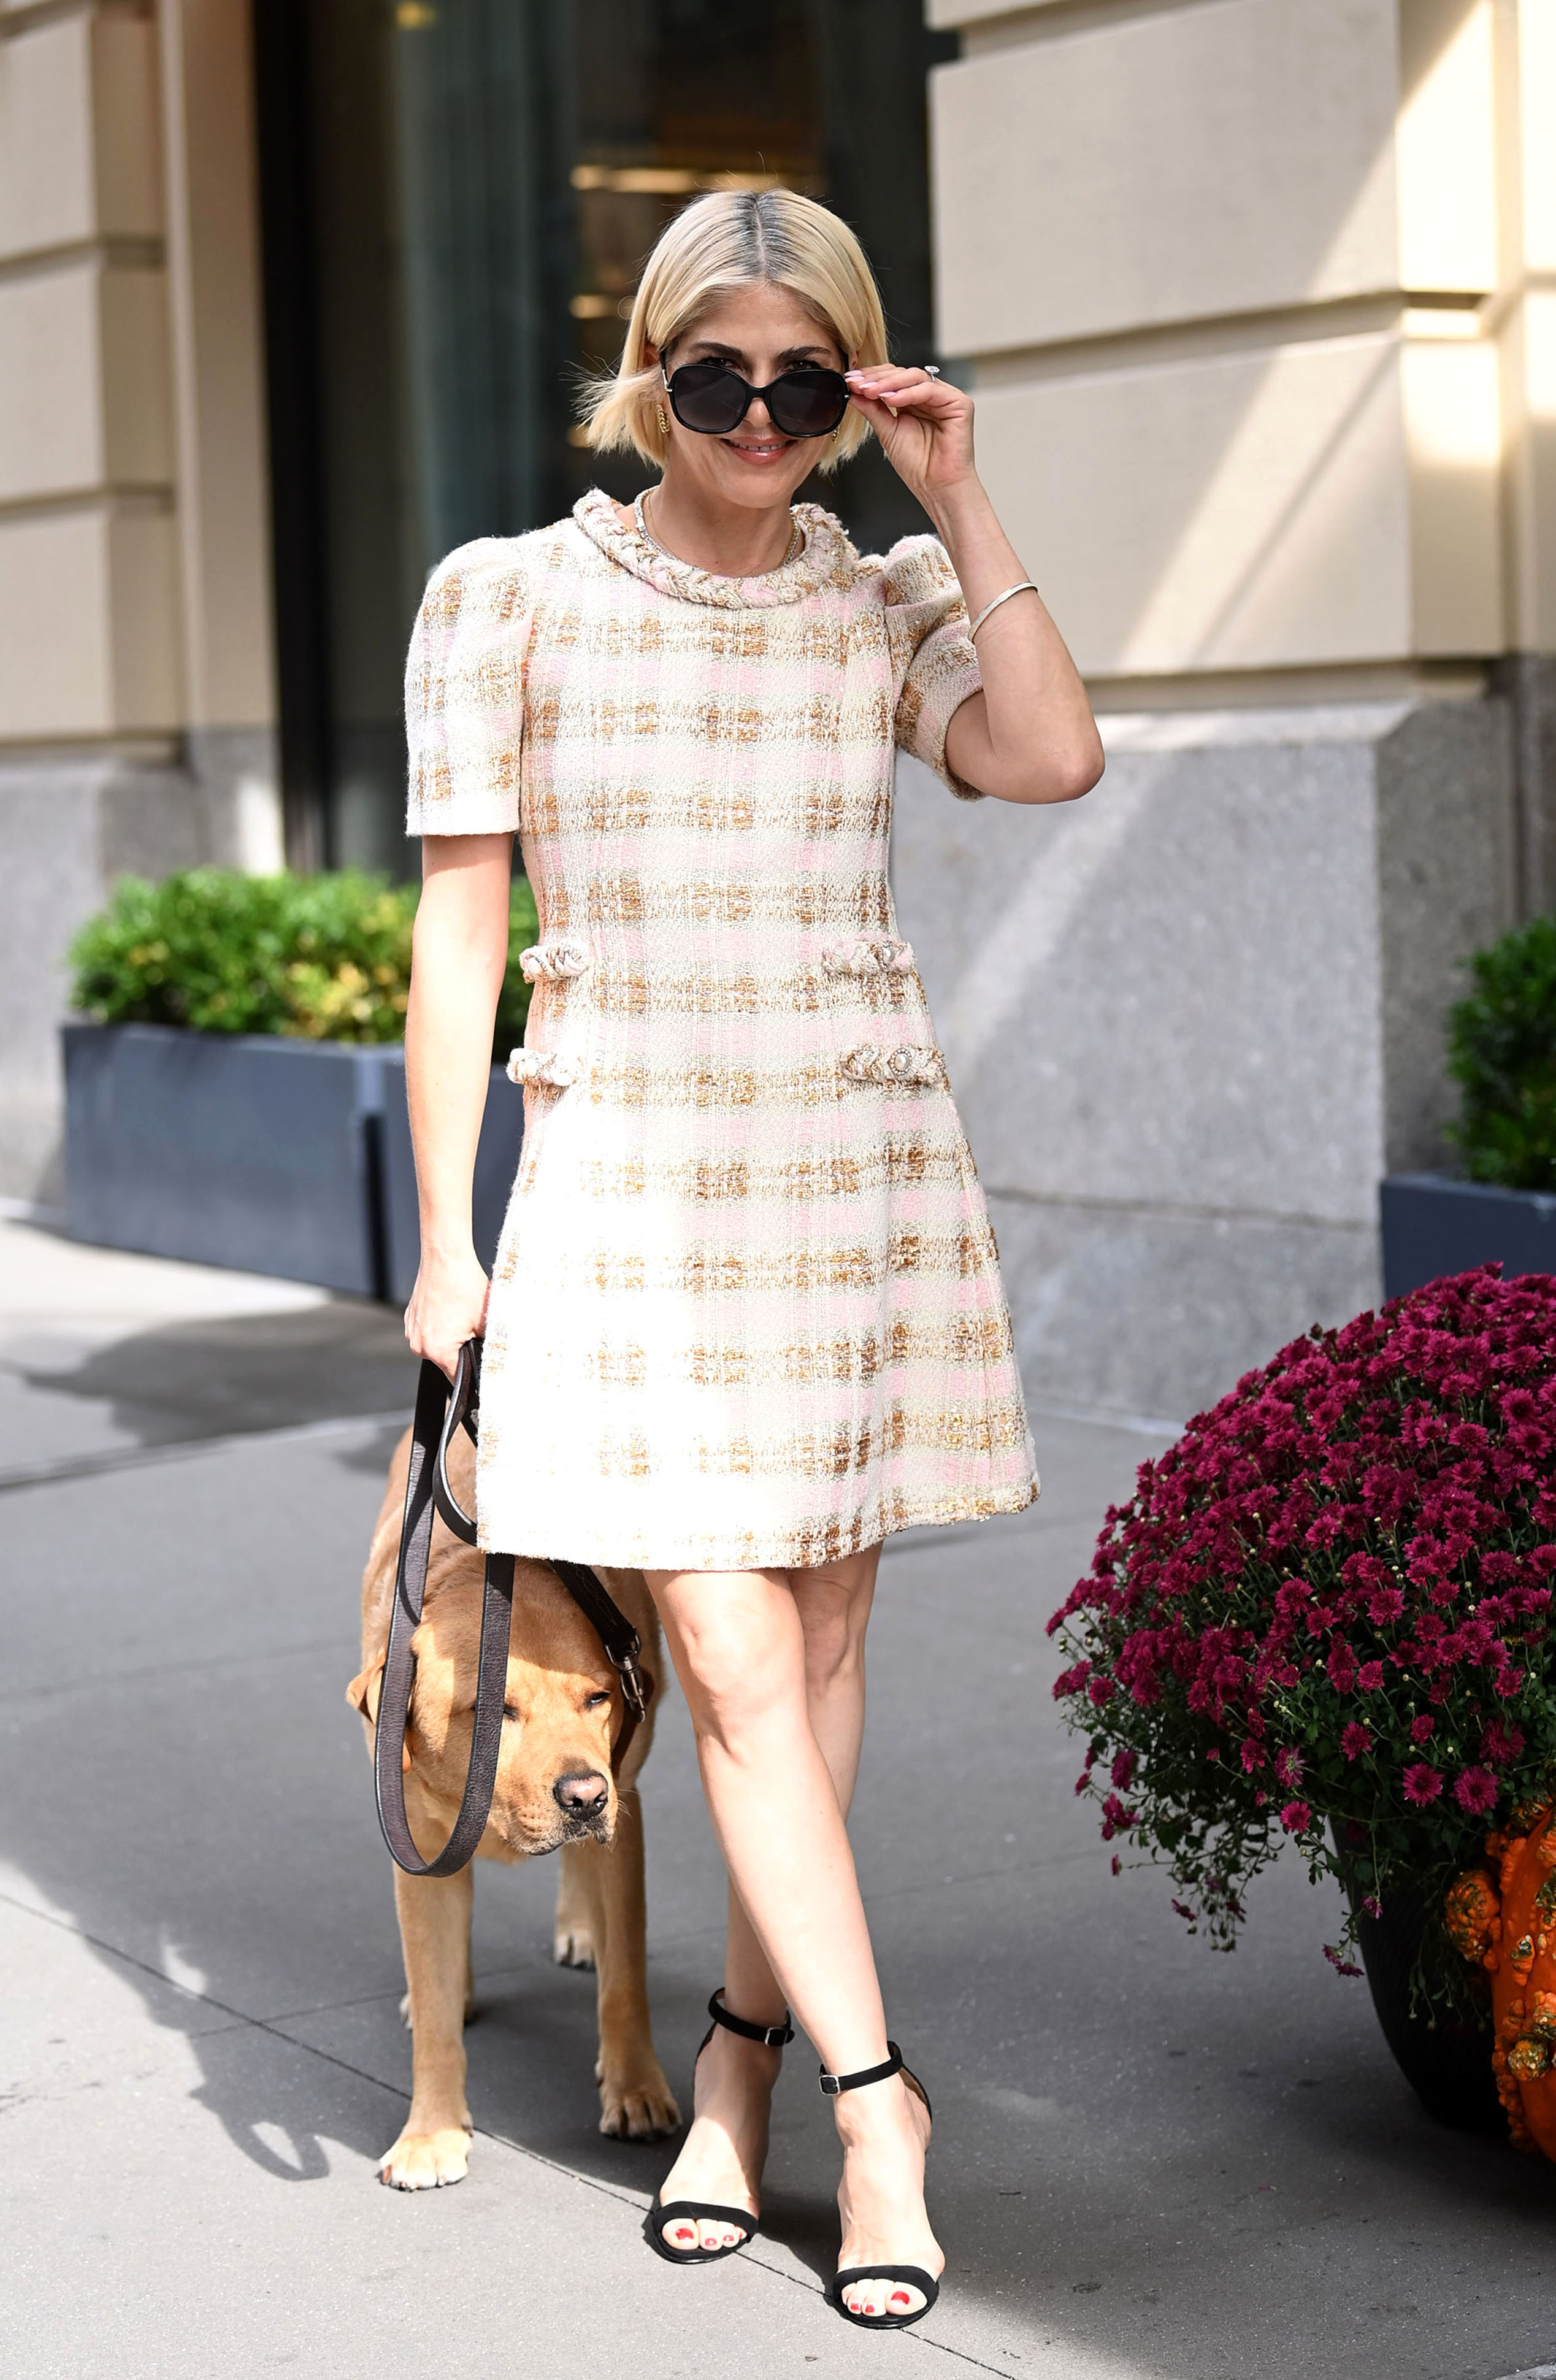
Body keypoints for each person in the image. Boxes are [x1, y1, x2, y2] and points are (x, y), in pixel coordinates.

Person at [400, 187, 1102, 2330]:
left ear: (852, 389)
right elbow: (458, 931)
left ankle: (733, 2062)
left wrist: (960, 501)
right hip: (614, 1177)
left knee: (803, 1669)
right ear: (655, 372)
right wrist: (445, 1238)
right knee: (721, 1660)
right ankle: (878, 2107)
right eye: (723, 382)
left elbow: (1049, 754)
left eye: (810, 386)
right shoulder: (510, 598)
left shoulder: (875, 596)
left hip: (842, 1165)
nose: (764, 421)